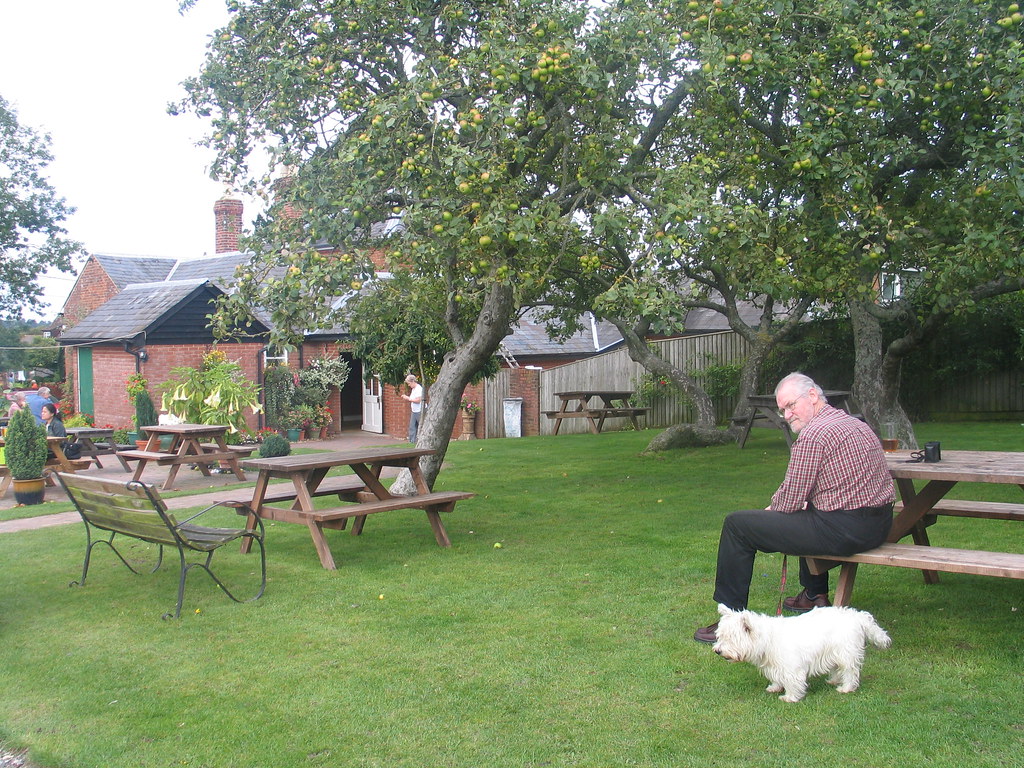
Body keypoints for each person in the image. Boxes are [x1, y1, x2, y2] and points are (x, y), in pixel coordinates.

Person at [694, 372, 895, 644]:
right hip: (880, 525)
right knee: (807, 510)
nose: (786, 416)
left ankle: (730, 621)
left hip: (845, 530)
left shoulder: (814, 434)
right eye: (782, 410)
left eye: (790, 406)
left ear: (812, 396)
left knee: (737, 526)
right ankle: (813, 595)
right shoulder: (856, 423)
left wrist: (769, 513)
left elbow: (789, 499)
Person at [400, 373, 423, 443]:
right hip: (414, 410)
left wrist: (408, 398)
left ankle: (421, 440)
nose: (409, 385)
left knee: (421, 425)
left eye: (409, 383)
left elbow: (418, 400)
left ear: (413, 381)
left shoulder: (419, 389)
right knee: (412, 426)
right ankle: (412, 441)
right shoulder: (414, 389)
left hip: (419, 410)